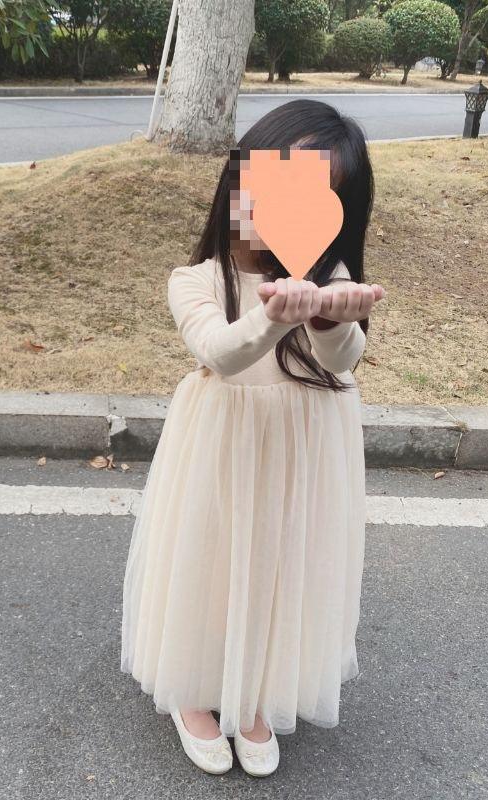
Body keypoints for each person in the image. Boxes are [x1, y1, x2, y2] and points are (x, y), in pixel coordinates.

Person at [119, 99, 386, 778]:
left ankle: (254, 691)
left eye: (319, 197)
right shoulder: (197, 278)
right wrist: (273, 318)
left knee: (280, 561)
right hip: (223, 441)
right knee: (215, 560)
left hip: (306, 448)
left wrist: (329, 320)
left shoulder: (332, 280)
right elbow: (220, 351)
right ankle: (194, 689)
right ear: (239, 184)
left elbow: (342, 360)